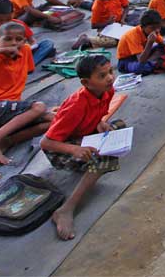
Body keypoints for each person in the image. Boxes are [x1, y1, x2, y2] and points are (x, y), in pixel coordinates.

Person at [41, 54, 126, 240]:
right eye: (102, 76)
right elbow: (46, 143)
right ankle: (66, 209)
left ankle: (87, 163)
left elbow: (98, 115)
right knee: (104, 159)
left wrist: (100, 123)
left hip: (83, 137)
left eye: (110, 72)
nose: (110, 78)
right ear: (86, 82)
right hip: (60, 148)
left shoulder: (107, 91)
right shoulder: (76, 105)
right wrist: (75, 149)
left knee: (119, 126)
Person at [0, 22, 54, 165]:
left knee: (54, 120)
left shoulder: (25, 51)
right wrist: (0, 50)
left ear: (25, 41)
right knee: (39, 107)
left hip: (7, 114)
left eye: (18, 39)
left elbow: (28, 70)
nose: (13, 43)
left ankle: (7, 141)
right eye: (7, 39)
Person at [0, 0, 56, 65]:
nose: (4, 23)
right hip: (3, 57)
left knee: (47, 43)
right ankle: (27, 65)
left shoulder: (19, 24)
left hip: (22, 53)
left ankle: (28, 64)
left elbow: (32, 40)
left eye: (8, 19)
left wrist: (29, 46)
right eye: (0, 20)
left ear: (13, 14)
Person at [116, 9, 165, 74]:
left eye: (159, 27)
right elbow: (141, 60)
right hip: (127, 61)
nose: (157, 30)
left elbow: (162, 43)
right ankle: (154, 63)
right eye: (152, 28)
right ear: (143, 27)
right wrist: (149, 43)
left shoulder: (154, 31)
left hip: (143, 53)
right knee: (141, 68)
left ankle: (153, 63)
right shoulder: (132, 35)